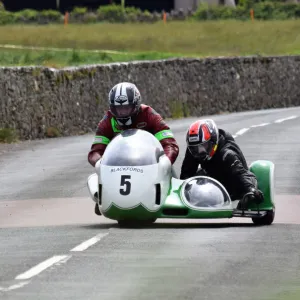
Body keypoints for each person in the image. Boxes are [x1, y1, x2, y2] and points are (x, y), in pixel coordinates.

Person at [88, 82, 180, 214]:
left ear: (136, 105)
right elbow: (95, 151)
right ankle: (105, 196)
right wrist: (100, 163)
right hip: (118, 165)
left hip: (148, 163)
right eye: (118, 109)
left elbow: (170, 144)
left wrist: (165, 162)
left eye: (126, 108)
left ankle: (172, 195)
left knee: (169, 167)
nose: (122, 113)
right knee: (93, 177)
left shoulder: (149, 114)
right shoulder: (107, 120)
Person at [180, 119, 264, 210]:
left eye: (203, 147)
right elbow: (186, 175)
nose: (199, 152)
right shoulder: (193, 151)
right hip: (212, 179)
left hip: (234, 181)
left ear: (213, 141)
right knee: (196, 179)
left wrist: (251, 190)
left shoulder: (227, 153)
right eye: (195, 148)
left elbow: (241, 173)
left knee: (249, 187)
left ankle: (248, 194)